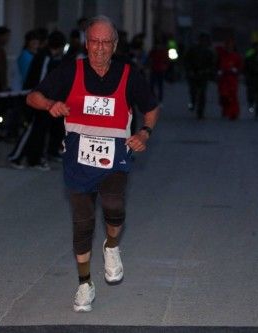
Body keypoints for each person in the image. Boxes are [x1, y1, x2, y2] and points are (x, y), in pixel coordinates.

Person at [26, 15, 160, 313]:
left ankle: (111, 246)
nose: (99, 48)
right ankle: (85, 284)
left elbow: (151, 109)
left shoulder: (128, 73)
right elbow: (32, 97)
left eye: (105, 43)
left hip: (115, 156)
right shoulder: (70, 70)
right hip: (78, 158)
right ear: (87, 44)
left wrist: (144, 132)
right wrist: (50, 104)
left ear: (115, 46)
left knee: (113, 204)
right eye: (94, 42)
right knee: (82, 222)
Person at [9, 30, 67, 170]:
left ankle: (34, 159)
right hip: (37, 100)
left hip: (43, 100)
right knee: (32, 129)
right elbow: (41, 81)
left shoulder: (47, 57)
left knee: (39, 130)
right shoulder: (45, 58)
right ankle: (16, 157)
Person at [184, 32, 215, 119]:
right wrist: (189, 70)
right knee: (193, 92)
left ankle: (200, 112)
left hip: (203, 75)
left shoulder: (209, 52)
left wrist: (208, 71)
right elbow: (187, 61)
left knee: (202, 94)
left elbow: (212, 64)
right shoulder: (193, 50)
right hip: (193, 74)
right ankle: (193, 103)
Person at [216, 37, 242, 120]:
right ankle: (226, 110)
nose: (229, 47)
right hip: (223, 79)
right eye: (228, 45)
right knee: (224, 96)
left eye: (231, 46)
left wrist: (236, 70)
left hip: (232, 78)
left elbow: (240, 66)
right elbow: (217, 65)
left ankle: (234, 113)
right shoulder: (221, 55)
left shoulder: (236, 56)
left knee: (233, 96)